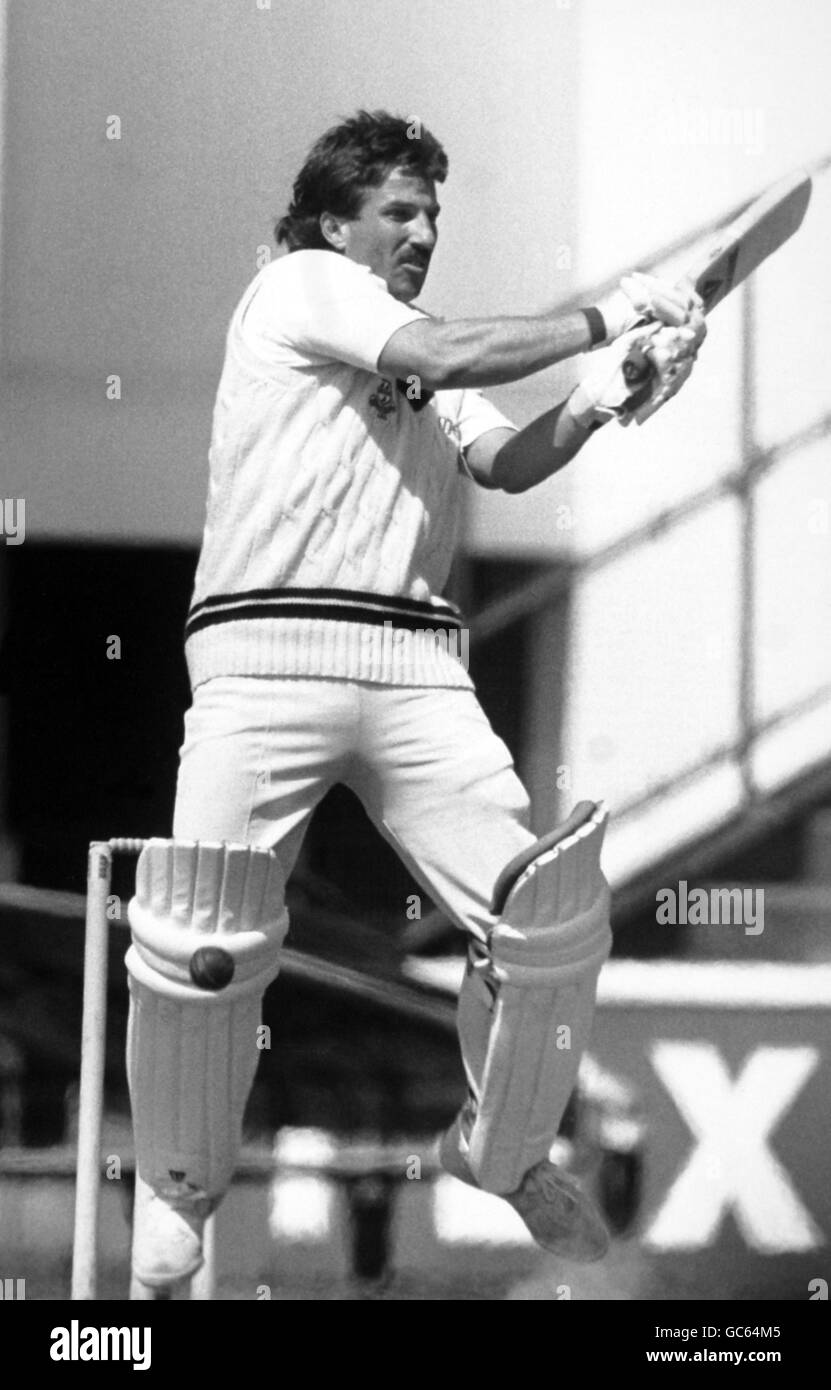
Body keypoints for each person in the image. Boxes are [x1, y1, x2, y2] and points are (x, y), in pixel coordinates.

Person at [125, 110, 705, 1296]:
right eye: (401, 210)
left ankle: (503, 1151)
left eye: (434, 212)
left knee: (544, 924)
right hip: (264, 658)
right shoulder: (303, 287)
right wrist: (605, 317)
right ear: (334, 221)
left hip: (416, 674)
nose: (425, 230)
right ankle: (176, 1187)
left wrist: (609, 392)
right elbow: (446, 356)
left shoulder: (417, 348)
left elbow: (502, 457)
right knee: (205, 939)